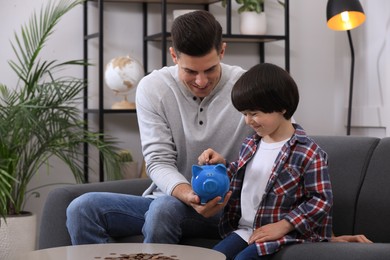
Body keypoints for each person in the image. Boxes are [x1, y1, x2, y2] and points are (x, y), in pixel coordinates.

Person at [66, 10, 254, 244]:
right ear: (174, 55)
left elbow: (285, 142)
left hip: (228, 208)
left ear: (223, 51)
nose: (201, 81)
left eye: (210, 70)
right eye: (191, 71)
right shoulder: (153, 88)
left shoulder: (248, 86)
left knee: (163, 208)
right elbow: (158, 161)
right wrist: (189, 195)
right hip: (169, 200)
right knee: (82, 208)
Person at [197, 63, 334, 259]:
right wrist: (222, 166)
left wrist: (284, 225)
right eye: (244, 114)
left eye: (254, 113)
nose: (248, 121)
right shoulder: (251, 144)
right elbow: (242, 175)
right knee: (213, 257)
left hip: (286, 233)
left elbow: (321, 200)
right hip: (247, 229)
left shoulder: (308, 152)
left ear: (282, 108)